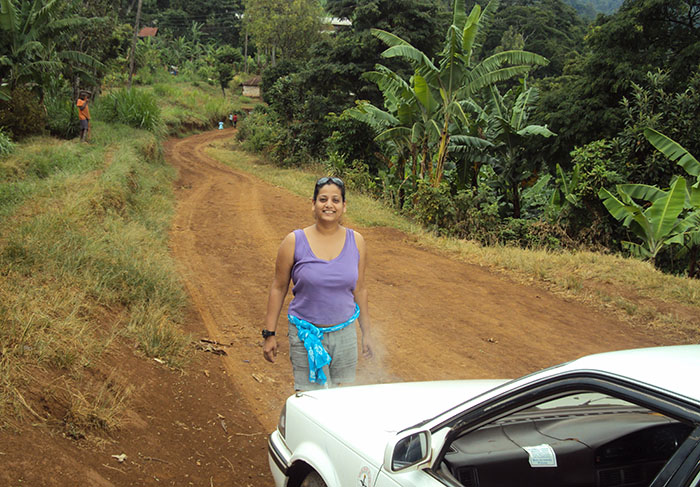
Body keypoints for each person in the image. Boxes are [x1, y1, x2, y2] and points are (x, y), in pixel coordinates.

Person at [262, 176, 373, 391]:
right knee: (311, 403)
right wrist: (269, 333)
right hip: (306, 337)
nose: (329, 205)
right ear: (313, 204)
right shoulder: (294, 241)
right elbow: (278, 287)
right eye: (323, 199)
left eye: (335, 200)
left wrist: (366, 333)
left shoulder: (357, 241)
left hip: (345, 336)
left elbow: (360, 289)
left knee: (341, 400)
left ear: (344, 206)